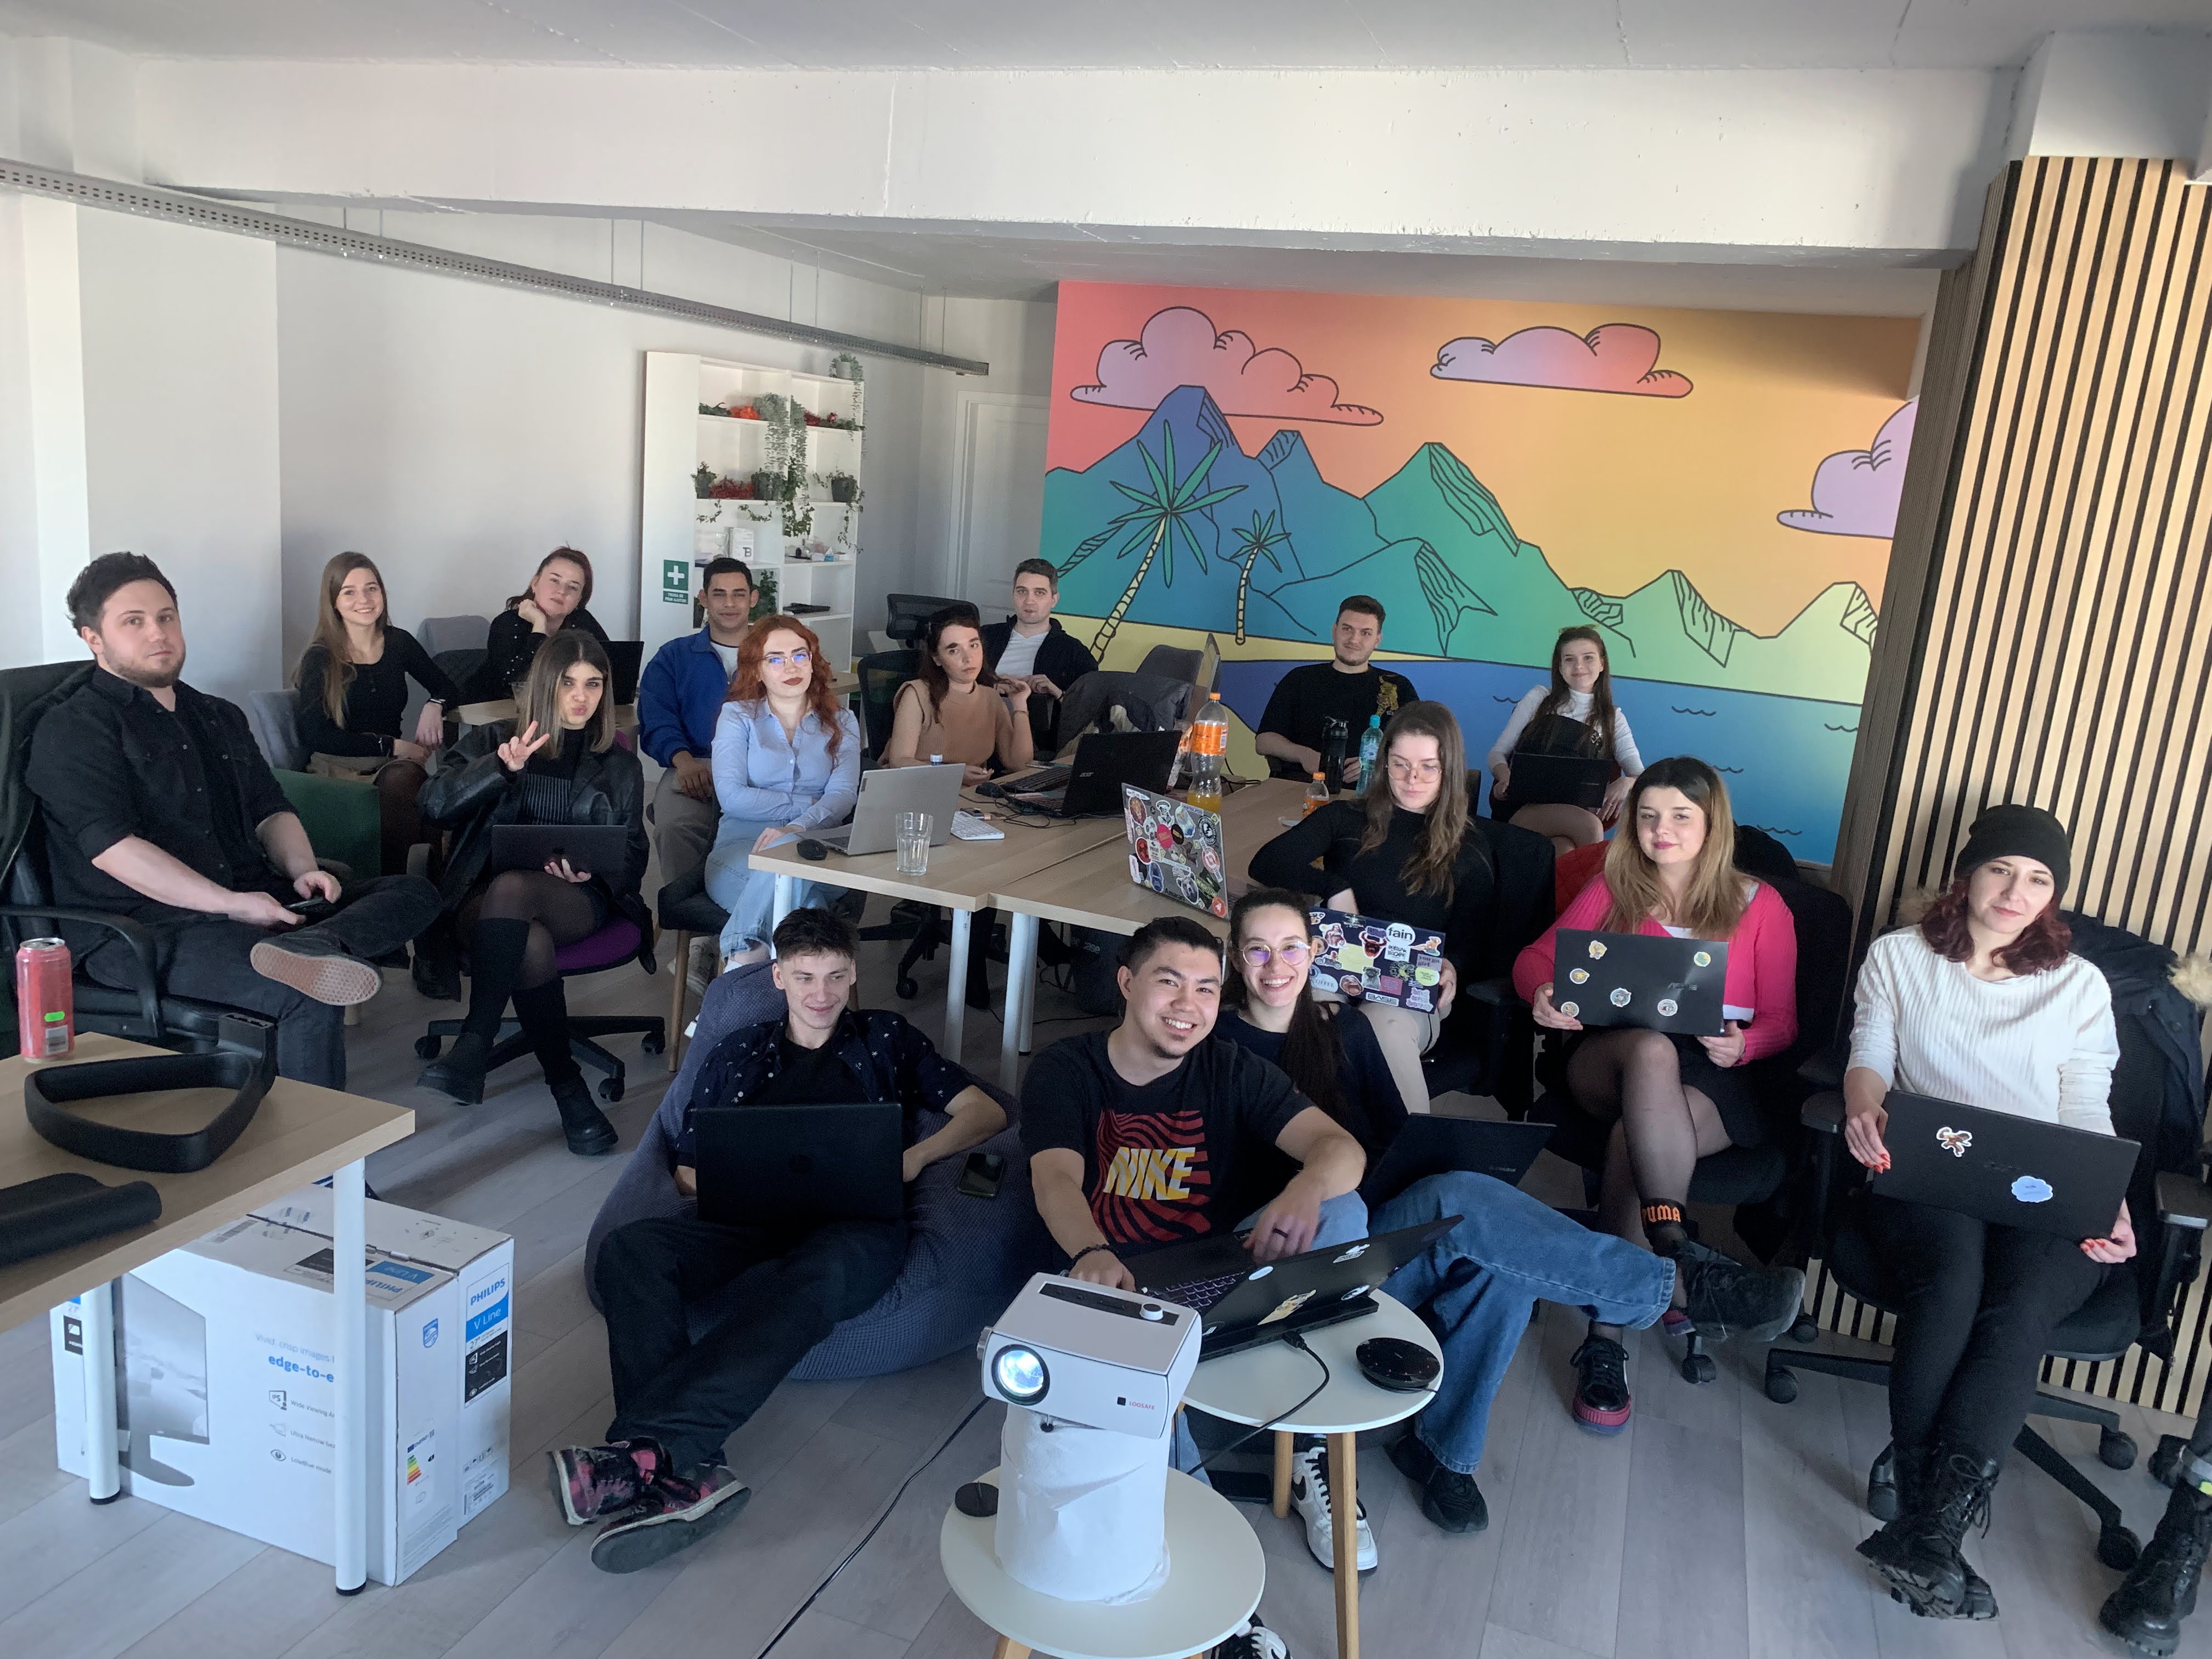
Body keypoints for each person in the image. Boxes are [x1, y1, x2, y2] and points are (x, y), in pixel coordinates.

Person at [1217, 889, 1808, 1544]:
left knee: (1490, 1243)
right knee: (1479, 1228)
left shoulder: (1344, 1030)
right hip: (1289, 1259)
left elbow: (1396, 1136)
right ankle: (1681, 1287)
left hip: (1372, 1229)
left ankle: (1443, 1452)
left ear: (1315, 952)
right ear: (1236, 960)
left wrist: (1436, 1157)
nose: (1277, 966)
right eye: (1258, 951)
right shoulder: (1219, 1047)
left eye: (1291, 948)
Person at [552, 907, 1006, 1573]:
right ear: (778, 978)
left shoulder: (886, 1039)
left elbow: (985, 1112)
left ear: (855, 974)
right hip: (744, 1220)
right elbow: (684, 1170)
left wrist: (912, 1159)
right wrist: (736, 1179)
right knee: (630, 1251)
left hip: (857, 1227)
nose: (822, 994)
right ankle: (680, 1466)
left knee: (817, 1278)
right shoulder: (738, 1054)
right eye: (805, 978)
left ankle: (645, 1459)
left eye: (836, 977)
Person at [1022, 913, 1367, 1659]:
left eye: (1208, 988)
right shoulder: (1067, 1067)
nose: (1189, 1005)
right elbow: (1054, 1180)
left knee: (1346, 1210)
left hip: (1211, 1274)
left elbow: (1339, 1149)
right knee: (1142, 1389)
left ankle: (1306, 1434)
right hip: (1111, 1287)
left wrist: (1307, 1187)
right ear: (1126, 983)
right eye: (1169, 982)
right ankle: (1226, 1616)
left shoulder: (1229, 1067)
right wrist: (1091, 1250)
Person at [1841, 806, 2131, 1621]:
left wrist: (2104, 1197)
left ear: (2053, 896)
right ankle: (1928, 1526)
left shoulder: (2078, 984)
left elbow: (2086, 1102)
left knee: (2024, 1303)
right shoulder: (1900, 957)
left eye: (2038, 879)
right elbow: (1871, 1054)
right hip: (1931, 1171)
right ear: (1967, 875)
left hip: (2045, 1189)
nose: (2015, 891)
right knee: (1951, 1283)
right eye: (2002, 869)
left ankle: (1931, 1531)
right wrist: (1864, 1107)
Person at [26, 553, 440, 1089]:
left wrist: (302, 870)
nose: (158, 632)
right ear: (93, 639)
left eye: (167, 616)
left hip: (252, 901)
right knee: (306, 992)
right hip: (146, 930)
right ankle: (315, 1147)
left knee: (415, 891)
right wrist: (231, 904)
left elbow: (271, 809)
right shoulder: (73, 728)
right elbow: (115, 850)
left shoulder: (217, 714)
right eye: (134, 621)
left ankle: (311, 948)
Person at [1514, 755, 1805, 1429]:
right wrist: (1545, 993)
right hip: (1611, 1058)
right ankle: (1682, 1271)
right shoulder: (1614, 887)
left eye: (1679, 816)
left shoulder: (1761, 905)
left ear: (1712, 824)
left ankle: (1621, 1323)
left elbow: (1783, 1020)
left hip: (1713, 1074)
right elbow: (1534, 960)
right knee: (1650, 1051)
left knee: (1633, 1136)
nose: (1661, 830)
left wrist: (1745, 1045)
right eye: (1647, 816)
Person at [1249, 701, 1547, 1115]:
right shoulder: (1346, 817)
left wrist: (1455, 965)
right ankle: (1307, 1137)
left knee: (1382, 1028)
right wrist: (1335, 886)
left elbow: (1476, 939)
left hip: (1407, 983)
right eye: (1400, 764)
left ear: (1449, 770)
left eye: (1428, 767)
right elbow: (1267, 862)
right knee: (1313, 1021)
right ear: (1384, 761)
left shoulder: (1470, 848)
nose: (1412, 779)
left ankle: (1407, 1147)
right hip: (1334, 967)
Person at [415, 631, 649, 1156]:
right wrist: (499, 770)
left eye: (593, 684)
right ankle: (568, 1088)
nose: (581, 697)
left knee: (517, 889)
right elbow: (432, 804)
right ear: (546, 683)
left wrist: (595, 876)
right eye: (568, 683)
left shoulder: (618, 763)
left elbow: (634, 851)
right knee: (528, 936)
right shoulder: (492, 740)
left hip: (575, 900)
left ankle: (473, 1045)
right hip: (482, 900)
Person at [291, 551, 464, 890]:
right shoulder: (320, 657)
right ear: (334, 602)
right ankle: (402, 891)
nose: (364, 600)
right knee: (410, 782)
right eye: (350, 592)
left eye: (372, 588)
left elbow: (447, 687)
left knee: (431, 786)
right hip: (339, 768)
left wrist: (434, 705)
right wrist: (393, 745)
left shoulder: (398, 642)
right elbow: (316, 735)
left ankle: (434, 891)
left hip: (391, 766)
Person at [701, 614, 861, 966]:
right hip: (743, 850)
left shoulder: (844, 721)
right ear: (757, 671)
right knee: (805, 917)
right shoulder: (737, 716)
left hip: (820, 849)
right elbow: (732, 797)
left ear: (813, 661)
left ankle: (733, 976)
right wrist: (808, 804)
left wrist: (796, 829)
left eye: (800, 655)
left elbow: (844, 795)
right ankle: (799, 996)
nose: (791, 666)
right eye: (775, 659)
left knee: (788, 864)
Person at [639, 557, 756, 894]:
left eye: (739, 594)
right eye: (719, 594)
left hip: (762, 769)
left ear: (753, 598)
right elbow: (657, 718)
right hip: (695, 766)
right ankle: (688, 915)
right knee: (674, 827)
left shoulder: (775, 655)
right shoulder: (673, 657)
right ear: (703, 599)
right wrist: (683, 760)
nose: (730, 604)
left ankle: (750, 911)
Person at [1486, 625, 1643, 852]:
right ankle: (1597, 878)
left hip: (1573, 816)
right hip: (1524, 810)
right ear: (1559, 667)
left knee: (1564, 850)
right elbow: (1497, 753)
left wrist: (1626, 783)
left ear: (1602, 664)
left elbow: (1640, 774)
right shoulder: (1539, 698)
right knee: (1591, 826)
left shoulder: (1613, 718)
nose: (1579, 666)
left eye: (1588, 658)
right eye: (1569, 659)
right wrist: (1504, 776)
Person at [1254, 596, 1418, 784]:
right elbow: (1264, 741)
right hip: (1301, 787)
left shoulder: (1398, 687)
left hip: (1370, 793)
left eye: (1365, 633)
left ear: (1377, 640)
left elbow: (1420, 747)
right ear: (1335, 631)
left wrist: (1380, 763)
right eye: (1347, 629)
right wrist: (1302, 754)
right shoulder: (1300, 679)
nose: (1354, 640)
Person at [882, 605, 1034, 783]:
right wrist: (955, 774)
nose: (968, 658)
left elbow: (1020, 764)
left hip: (969, 794)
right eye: (954, 650)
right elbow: (899, 761)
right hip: (916, 787)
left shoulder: (991, 698)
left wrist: (1020, 704)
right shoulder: (917, 693)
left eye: (974, 645)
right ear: (937, 658)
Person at [980, 557, 1099, 753]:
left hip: (1036, 742)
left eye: (1039, 593)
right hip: (978, 726)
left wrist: (1057, 692)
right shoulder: (985, 637)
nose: (1029, 601)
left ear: (1054, 599)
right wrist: (991, 685)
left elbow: (1092, 711)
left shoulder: (1073, 651)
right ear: (1013, 595)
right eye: (1022, 591)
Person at [481, 547, 612, 696]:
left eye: (573, 587)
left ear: (579, 600)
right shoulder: (507, 623)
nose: (562, 591)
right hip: (495, 706)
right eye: (555, 581)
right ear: (535, 583)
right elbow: (518, 684)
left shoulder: (582, 621)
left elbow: (609, 670)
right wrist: (539, 626)